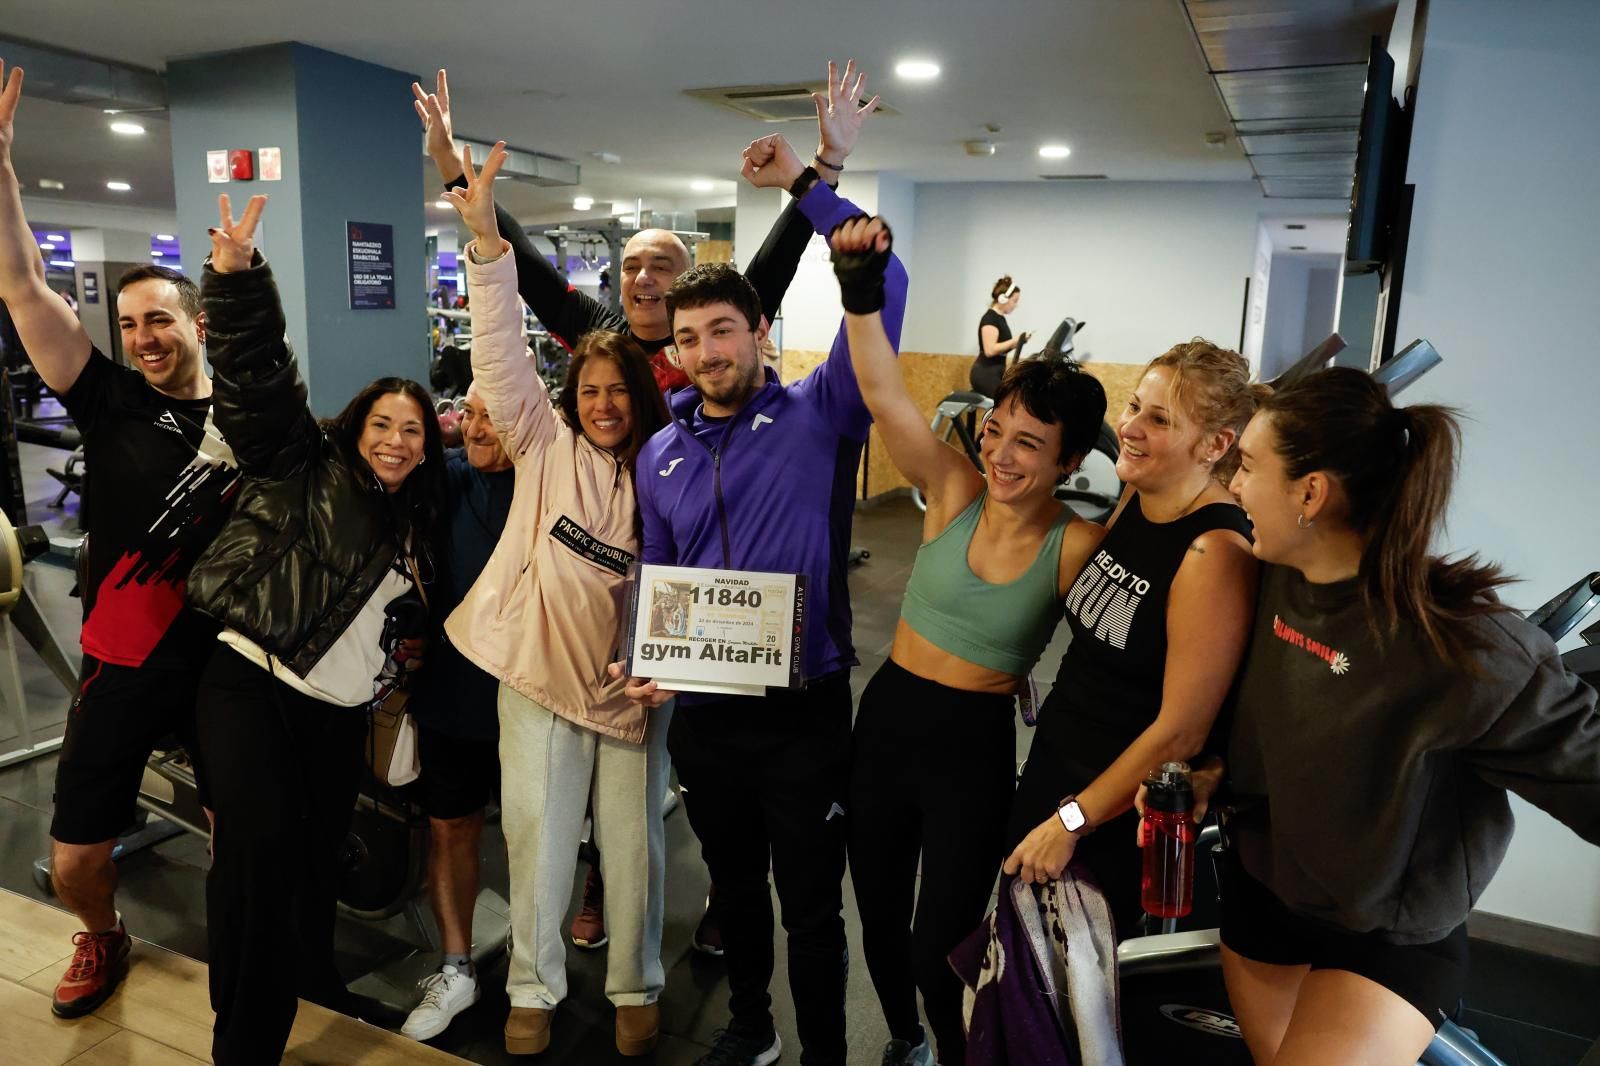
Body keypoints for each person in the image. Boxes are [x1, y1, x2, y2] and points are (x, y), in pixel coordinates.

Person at [1183, 367, 1600, 1066]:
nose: (1234, 485)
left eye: (1248, 466)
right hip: (1267, 891)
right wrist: (1214, 772)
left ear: (1311, 493)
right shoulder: (1274, 575)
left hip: (1383, 934)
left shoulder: (1465, 652)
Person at [616, 97, 904, 1066]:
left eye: (723, 331)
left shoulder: (824, 413)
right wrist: (646, 658)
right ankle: (751, 1027)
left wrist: (813, 184)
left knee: (811, 904)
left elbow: (885, 285)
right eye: (690, 339)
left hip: (805, 710)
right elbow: (660, 576)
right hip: (707, 715)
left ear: (760, 330)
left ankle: (825, 1050)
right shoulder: (660, 453)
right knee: (733, 887)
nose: (707, 352)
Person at [829, 217, 1107, 1066]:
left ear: (1069, 462)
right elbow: (883, 393)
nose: (1002, 455)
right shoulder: (953, 489)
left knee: (938, 946)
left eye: (1030, 444)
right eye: (997, 431)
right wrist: (860, 293)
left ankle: (957, 1053)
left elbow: (1128, 650)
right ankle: (905, 1039)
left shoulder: (1077, 545)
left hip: (972, 749)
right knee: (878, 921)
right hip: (888, 721)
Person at [0, 59, 240, 1020]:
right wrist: (2, 167)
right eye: (129, 322)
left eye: (159, 320)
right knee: (73, 862)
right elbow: (22, 286)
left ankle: (254, 957)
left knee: (243, 835)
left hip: (226, 657)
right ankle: (104, 935)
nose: (142, 337)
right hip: (125, 654)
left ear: (197, 323)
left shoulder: (249, 415)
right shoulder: (107, 400)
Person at [185, 193, 447, 1065]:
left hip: (334, 715)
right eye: (383, 424)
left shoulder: (419, 527)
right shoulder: (307, 461)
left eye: (413, 431)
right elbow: (258, 379)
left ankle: (315, 984)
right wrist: (236, 280)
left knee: (311, 863)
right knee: (255, 868)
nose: (397, 441)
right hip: (254, 683)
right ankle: (245, 1045)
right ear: (355, 425)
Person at [438, 143, 674, 1057]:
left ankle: (636, 985)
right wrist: (486, 245)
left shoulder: (670, 467)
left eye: (620, 391)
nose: (605, 404)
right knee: (537, 840)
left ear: (642, 397)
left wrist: (666, 663)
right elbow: (499, 354)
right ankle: (532, 989)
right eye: (591, 390)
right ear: (571, 395)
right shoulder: (542, 443)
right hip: (538, 680)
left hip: (632, 687)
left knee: (634, 846)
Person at [1003, 340, 1262, 936]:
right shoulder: (1139, 496)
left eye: (1160, 419)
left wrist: (1071, 822)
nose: (1130, 428)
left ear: (1215, 444)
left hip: (1111, 813)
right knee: (1019, 966)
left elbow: (1180, 732)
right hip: (1054, 768)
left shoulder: (1214, 552)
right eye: (1134, 406)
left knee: (1082, 988)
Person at [398, 380, 515, 1043]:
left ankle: (535, 968)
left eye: (492, 417)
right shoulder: (443, 478)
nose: (475, 428)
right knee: (451, 828)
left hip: (531, 697)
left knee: (537, 839)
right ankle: (456, 967)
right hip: (452, 691)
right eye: (468, 414)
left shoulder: (552, 484)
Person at [969, 276, 1029, 397]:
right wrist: (1014, 340)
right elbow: (990, 350)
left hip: (996, 371)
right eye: (1014, 301)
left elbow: (1001, 348)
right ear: (1003, 299)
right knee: (1004, 400)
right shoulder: (990, 318)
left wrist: (1019, 342)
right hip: (985, 374)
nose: (1016, 305)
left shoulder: (1000, 318)